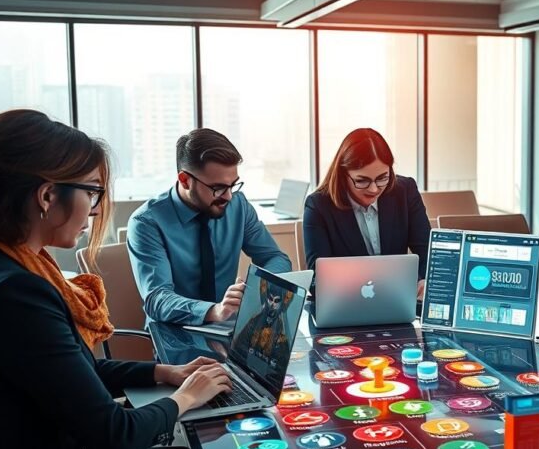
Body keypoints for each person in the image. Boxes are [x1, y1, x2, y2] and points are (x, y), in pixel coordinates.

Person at [0, 109, 230, 449]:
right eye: (93, 193)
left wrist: (162, 371)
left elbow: (71, 373)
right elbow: (114, 433)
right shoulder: (19, 294)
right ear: (46, 196)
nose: (95, 211)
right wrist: (185, 398)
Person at [127, 128, 292, 325]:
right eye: (218, 188)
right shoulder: (146, 222)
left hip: (228, 327)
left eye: (233, 185)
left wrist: (255, 286)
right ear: (185, 180)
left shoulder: (238, 206)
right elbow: (157, 300)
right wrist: (214, 311)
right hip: (174, 335)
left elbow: (276, 258)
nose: (229, 196)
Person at [303, 128, 431, 298]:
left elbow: (428, 252)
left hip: (400, 301)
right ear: (343, 174)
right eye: (362, 180)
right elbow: (318, 280)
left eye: (382, 178)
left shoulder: (405, 191)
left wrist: (424, 280)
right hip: (347, 306)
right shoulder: (318, 206)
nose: (374, 189)